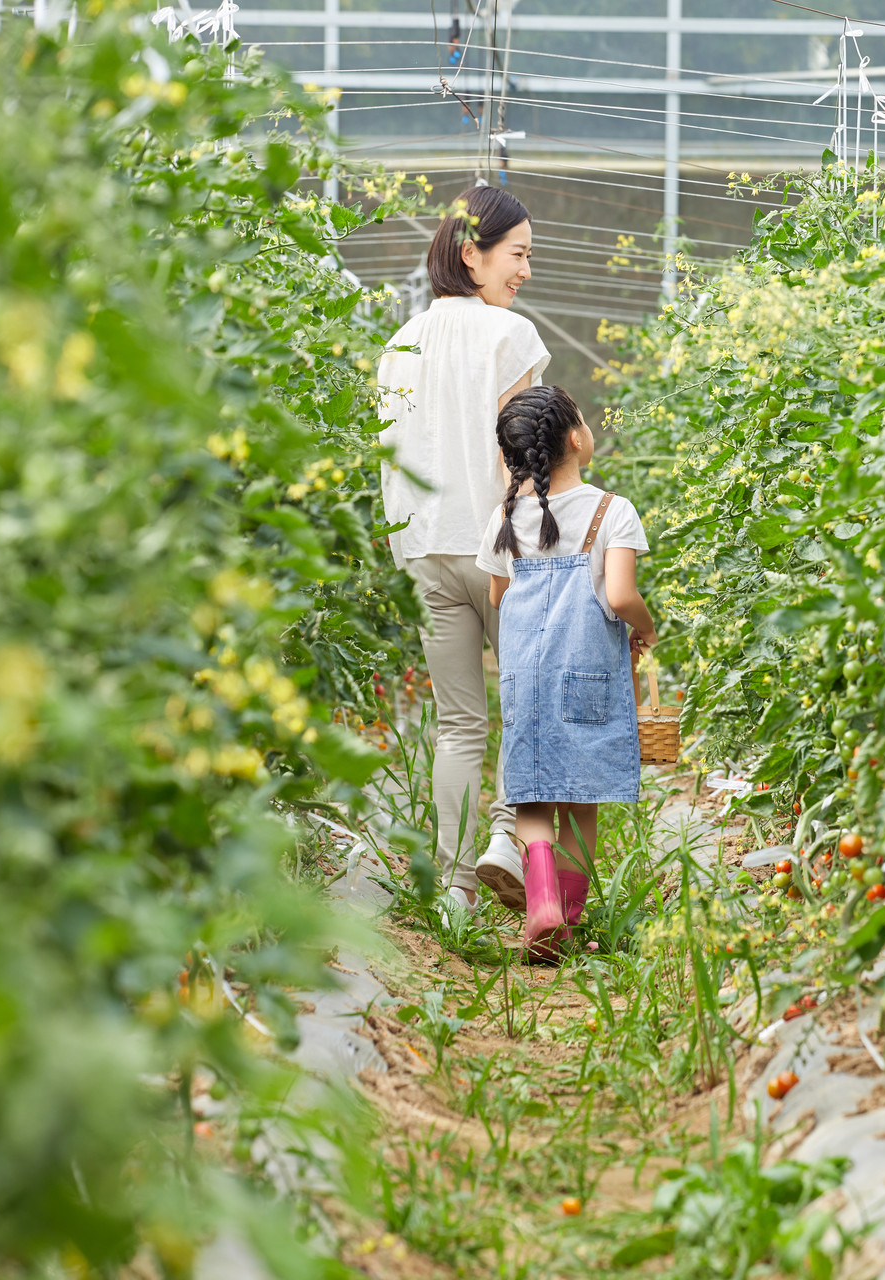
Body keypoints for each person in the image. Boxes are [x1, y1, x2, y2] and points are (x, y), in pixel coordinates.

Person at [376, 184, 547, 922]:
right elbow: (522, 460)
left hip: (422, 551)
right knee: (527, 706)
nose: (526, 271)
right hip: (495, 547)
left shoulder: (399, 344)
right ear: (471, 255)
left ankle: (453, 889)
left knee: (457, 724)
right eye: (518, 255)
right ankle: (506, 841)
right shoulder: (508, 336)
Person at [474, 385, 655, 958]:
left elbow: (499, 596)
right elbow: (622, 595)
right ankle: (567, 925)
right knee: (581, 805)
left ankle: (541, 905)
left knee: (531, 802)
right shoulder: (612, 510)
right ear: (576, 438)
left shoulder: (507, 519)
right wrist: (646, 628)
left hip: (526, 677)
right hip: (592, 679)